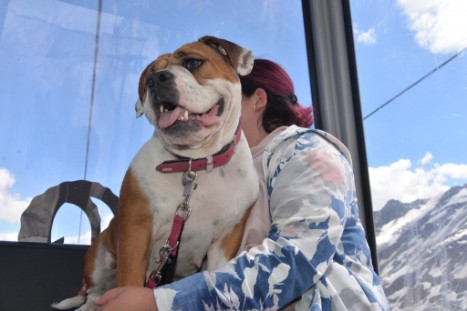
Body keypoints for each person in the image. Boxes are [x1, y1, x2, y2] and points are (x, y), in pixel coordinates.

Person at [94, 59, 389, 310]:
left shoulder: (307, 153)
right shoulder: (229, 178)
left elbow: (294, 261)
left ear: (256, 100)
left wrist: (160, 303)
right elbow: (217, 274)